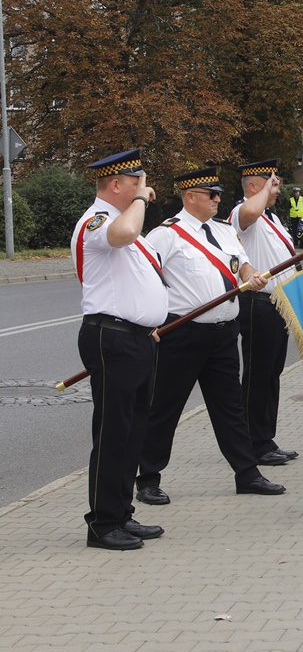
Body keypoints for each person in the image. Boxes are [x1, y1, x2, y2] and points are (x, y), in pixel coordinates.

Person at [135, 166, 286, 504]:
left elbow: (241, 265)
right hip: (182, 334)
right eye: (211, 194)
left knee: (229, 407)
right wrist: (148, 323)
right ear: (190, 197)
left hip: (222, 334)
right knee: (165, 408)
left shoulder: (223, 231)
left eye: (219, 193)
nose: (218, 199)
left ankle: (247, 473)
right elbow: (143, 278)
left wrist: (252, 275)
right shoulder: (166, 234)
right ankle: (148, 479)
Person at [71, 148, 169, 550]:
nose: (144, 190)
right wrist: (142, 200)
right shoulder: (97, 220)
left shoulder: (123, 222)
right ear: (116, 185)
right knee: (113, 433)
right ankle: (102, 523)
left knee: (132, 433)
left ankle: (121, 513)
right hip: (110, 337)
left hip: (137, 338)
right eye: (136, 183)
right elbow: (123, 235)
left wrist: (148, 320)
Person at [229, 160, 299, 467]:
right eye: (272, 182)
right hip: (258, 304)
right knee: (258, 375)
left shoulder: (271, 218)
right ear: (254, 186)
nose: (278, 188)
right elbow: (249, 213)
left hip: (278, 306)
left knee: (271, 374)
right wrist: (263, 190)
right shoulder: (242, 213)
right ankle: (253, 443)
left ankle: (265, 438)